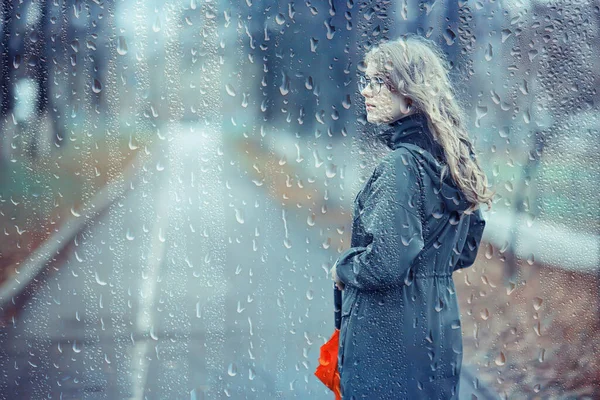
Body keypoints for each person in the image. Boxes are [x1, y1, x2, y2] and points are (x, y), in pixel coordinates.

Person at [330, 34, 495, 399]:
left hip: (388, 342)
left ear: (409, 94)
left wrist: (342, 268)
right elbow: (465, 250)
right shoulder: (454, 163)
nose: (365, 92)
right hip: (439, 333)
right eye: (365, 81)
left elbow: (385, 264)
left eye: (377, 82)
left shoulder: (401, 166)